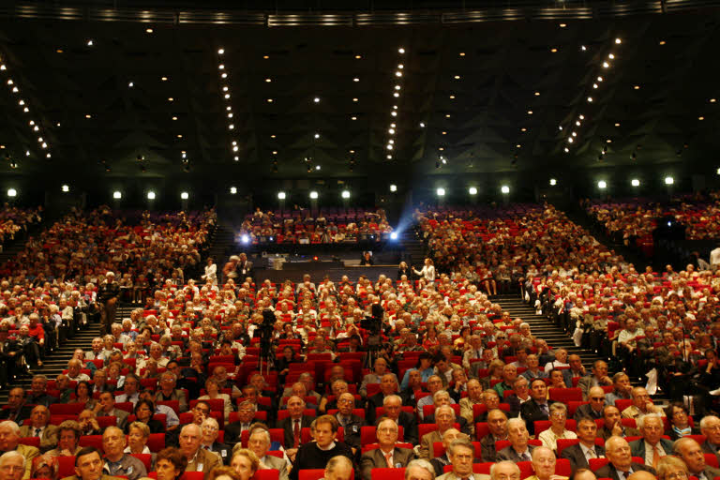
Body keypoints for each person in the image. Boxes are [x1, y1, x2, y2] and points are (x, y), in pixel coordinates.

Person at [289, 415, 354, 480]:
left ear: (334, 435)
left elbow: (353, 476)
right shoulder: (304, 450)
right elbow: (294, 477)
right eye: (318, 431)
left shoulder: (345, 451)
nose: (320, 435)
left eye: (325, 432)